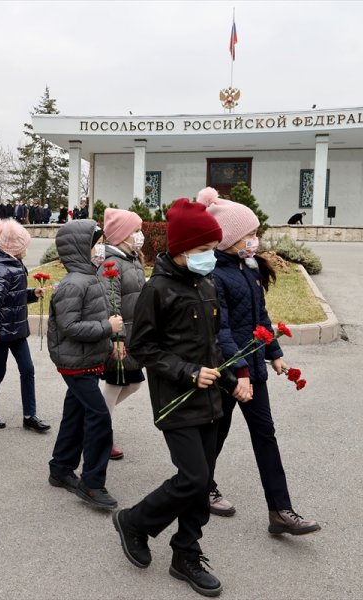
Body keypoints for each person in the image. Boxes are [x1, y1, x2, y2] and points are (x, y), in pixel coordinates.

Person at [111, 198, 245, 599]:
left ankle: (185, 553)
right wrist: (187, 372)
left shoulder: (207, 284)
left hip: (211, 400)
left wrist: (232, 378)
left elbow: (212, 345)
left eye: (213, 249)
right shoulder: (158, 289)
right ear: (183, 248)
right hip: (176, 400)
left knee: (201, 484)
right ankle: (135, 522)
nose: (210, 257)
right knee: (194, 478)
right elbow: (143, 347)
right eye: (204, 249)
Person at [197, 189, 321, 535]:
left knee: (265, 434)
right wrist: (238, 373)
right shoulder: (214, 276)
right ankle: (201, 486)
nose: (255, 240)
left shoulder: (247, 269)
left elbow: (260, 318)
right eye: (249, 234)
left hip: (253, 369)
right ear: (229, 238)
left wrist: (275, 354)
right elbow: (221, 331)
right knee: (216, 434)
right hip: (230, 372)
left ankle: (280, 511)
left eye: (255, 234)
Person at [47, 219, 123, 510]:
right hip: (75, 362)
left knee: (75, 414)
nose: (101, 249)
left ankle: (61, 467)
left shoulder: (91, 277)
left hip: (88, 360)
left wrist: (111, 342)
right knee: (100, 418)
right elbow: (70, 327)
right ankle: (92, 483)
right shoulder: (73, 283)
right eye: (97, 244)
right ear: (81, 247)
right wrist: (107, 328)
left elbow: (97, 316)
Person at [0, 219, 51, 433]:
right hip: (0, 331)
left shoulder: (13, 263)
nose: (27, 249)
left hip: (16, 329)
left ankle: (30, 415)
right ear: (15, 247)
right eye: (24, 245)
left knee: (27, 370)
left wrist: (32, 294)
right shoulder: (1, 268)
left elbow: (13, 296)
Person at [98, 208, 146, 460]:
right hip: (120, 335)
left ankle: (93, 416)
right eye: (135, 231)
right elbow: (110, 302)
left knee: (133, 383)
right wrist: (116, 338)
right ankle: (100, 434)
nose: (140, 235)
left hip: (135, 331)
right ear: (122, 234)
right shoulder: (111, 262)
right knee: (116, 383)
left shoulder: (132, 259)